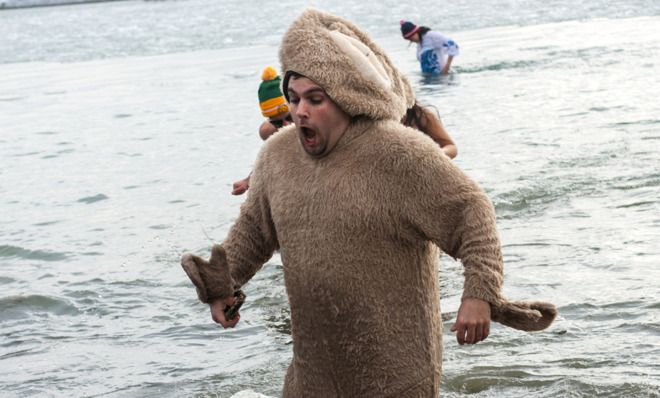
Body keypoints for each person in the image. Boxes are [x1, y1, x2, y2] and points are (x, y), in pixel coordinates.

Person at [182, 9, 556, 397]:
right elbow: (254, 232)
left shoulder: (399, 153)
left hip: (396, 370)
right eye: (293, 99)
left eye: (315, 99)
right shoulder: (278, 155)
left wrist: (480, 294)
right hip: (313, 369)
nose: (300, 111)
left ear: (345, 97)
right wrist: (224, 285)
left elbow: (471, 213)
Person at [232, 66, 293, 195]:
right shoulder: (275, 138)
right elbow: (266, 161)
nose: (286, 124)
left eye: (289, 117)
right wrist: (247, 181)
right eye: (277, 122)